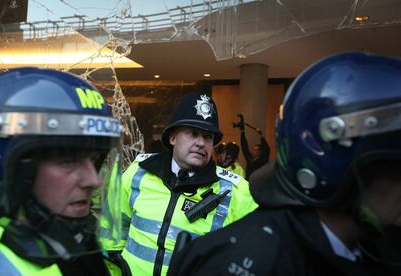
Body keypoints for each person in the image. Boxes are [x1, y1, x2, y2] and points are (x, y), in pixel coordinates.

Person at [167, 52, 401, 275]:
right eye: (395, 171)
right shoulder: (250, 260)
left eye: (207, 137)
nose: (200, 143)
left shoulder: (237, 186)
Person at [0, 68, 128, 275]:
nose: (94, 180)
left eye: (94, 160)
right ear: (12, 170)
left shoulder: (73, 244)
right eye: (69, 161)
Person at [100, 92, 257, 276]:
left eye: (207, 137)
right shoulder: (137, 173)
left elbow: (256, 253)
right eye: (193, 134)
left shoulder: (236, 191)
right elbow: (111, 234)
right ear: (173, 137)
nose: (201, 143)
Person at [237, 114, 270, 180]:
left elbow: (267, 149)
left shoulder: (263, 160)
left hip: (259, 183)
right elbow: (244, 147)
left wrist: (261, 136)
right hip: (249, 183)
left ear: (260, 152)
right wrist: (242, 132)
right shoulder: (250, 159)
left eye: (256, 150)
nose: (254, 151)